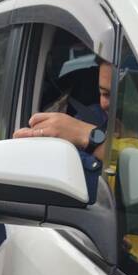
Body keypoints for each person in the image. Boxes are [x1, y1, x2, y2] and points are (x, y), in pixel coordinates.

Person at [13, 59, 113, 204]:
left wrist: (87, 136)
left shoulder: (75, 128)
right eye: (103, 93)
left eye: (118, 93)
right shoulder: (91, 118)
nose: (105, 104)